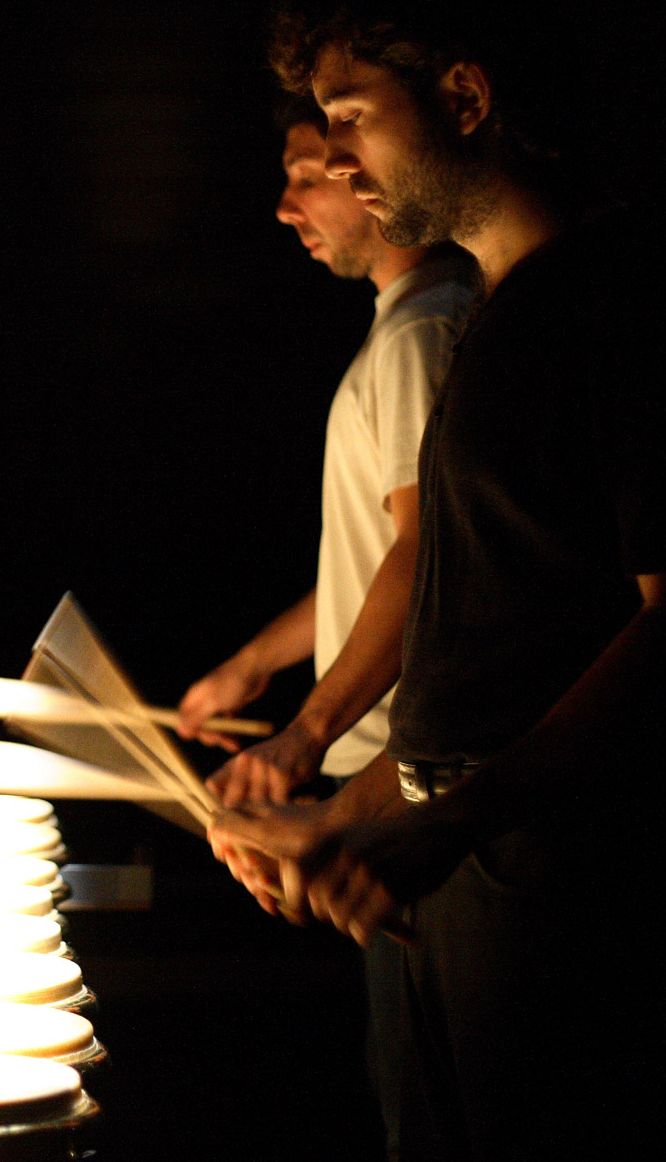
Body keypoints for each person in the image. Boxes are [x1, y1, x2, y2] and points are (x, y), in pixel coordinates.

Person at [206, 0, 666, 1157]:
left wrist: (445, 813)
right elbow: (488, 651)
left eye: (348, 115)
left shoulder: (615, 302)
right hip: (474, 883)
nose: (330, 157)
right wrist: (354, 812)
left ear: (466, 96)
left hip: (559, 914)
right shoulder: (495, 317)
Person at [176, 96, 473, 807]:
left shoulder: (420, 336)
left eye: (307, 177)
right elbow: (375, 561)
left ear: (364, 169)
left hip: (402, 770)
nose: (285, 207)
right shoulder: (412, 323)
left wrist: (308, 732)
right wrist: (251, 664)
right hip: (384, 757)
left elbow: (423, 555)